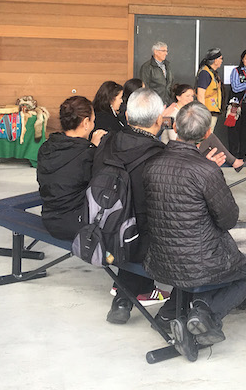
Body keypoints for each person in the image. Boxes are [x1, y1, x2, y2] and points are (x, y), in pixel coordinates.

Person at [144, 102, 246, 357]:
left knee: (199, 264)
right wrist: (210, 172)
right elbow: (228, 219)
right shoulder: (206, 170)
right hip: (198, 263)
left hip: (160, 259)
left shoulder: (153, 164)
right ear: (208, 134)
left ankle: (189, 315)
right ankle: (205, 315)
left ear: (175, 127)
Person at [94, 88, 171, 325]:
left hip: (101, 229)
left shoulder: (106, 142)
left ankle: (123, 299)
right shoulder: (161, 155)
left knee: (135, 223)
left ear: (126, 117)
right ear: (160, 120)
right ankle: (170, 311)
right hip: (136, 239)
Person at [37, 96, 106, 240]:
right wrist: (94, 149)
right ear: (86, 122)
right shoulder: (88, 154)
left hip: (49, 218)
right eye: (93, 120)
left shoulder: (47, 147)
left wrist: (90, 147)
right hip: (77, 223)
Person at [166, 84, 244, 170]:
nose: (190, 99)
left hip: (187, 146)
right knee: (209, 138)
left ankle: (232, 162)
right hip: (176, 149)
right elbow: (174, 139)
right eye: (187, 96)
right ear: (178, 97)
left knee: (208, 147)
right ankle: (233, 162)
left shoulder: (187, 111)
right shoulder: (173, 113)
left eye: (192, 96)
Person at [196, 48, 224, 129]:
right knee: (205, 137)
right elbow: (200, 95)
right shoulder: (205, 73)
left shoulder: (212, 72)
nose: (222, 61)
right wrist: (203, 113)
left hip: (212, 111)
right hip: (207, 113)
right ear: (215, 60)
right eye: (221, 58)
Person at [139, 41, 173, 106]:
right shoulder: (147, 67)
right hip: (154, 102)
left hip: (168, 101)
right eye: (163, 51)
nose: (166, 53)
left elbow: (170, 83)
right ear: (156, 52)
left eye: (166, 51)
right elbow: (145, 86)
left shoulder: (167, 65)